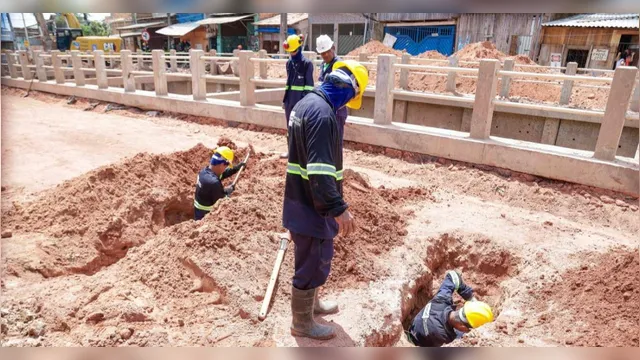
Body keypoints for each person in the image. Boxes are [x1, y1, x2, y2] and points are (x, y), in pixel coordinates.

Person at [283, 60, 369, 340]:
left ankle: (312, 307)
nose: (348, 106)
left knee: (311, 259)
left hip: (300, 200)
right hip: (312, 207)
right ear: (348, 90)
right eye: (352, 98)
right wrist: (338, 208)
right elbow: (319, 170)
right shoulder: (322, 115)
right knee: (312, 262)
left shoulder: (306, 103)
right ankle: (302, 323)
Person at [406, 270, 494, 347]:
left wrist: (470, 298)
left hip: (410, 331)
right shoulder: (448, 339)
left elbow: (452, 275)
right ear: (463, 326)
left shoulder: (441, 301)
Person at [281, 34, 314, 159]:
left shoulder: (307, 64)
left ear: (299, 49)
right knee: (290, 128)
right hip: (290, 101)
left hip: (301, 102)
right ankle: (291, 152)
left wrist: (305, 103)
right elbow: (289, 83)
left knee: (301, 128)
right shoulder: (289, 63)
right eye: (290, 52)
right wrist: (285, 100)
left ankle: (302, 154)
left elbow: (309, 86)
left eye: (293, 51)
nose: (292, 54)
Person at [193, 146, 247, 221]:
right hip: (206, 216)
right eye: (226, 166)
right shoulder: (214, 183)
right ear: (222, 164)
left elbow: (221, 174)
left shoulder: (204, 172)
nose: (226, 168)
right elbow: (222, 201)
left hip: (198, 212)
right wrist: (228, 192)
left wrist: (235, 168)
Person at [316, 34, 348, 145]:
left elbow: (342, 91)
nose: (325, 55)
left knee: (335, 143)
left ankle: (337, 163)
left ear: (333, 47)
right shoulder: (323, 65)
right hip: (325, 110)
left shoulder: (340, 65)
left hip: (337, 111)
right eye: (322, 53)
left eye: (327, 51)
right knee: (325, 143)